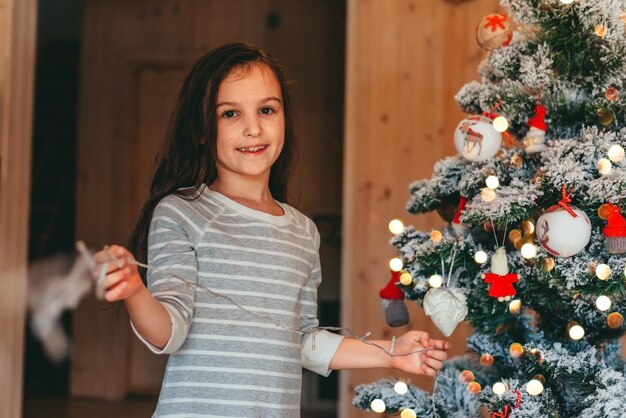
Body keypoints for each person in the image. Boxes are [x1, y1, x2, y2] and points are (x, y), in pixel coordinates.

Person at [96, 42, 450, 417]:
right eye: (230, 113)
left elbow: (302, 341)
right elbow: (169, 332)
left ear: (284, 119)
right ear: (202, 129)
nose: (253, 128)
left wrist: (391, 353)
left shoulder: (303, 232)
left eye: (266, 110)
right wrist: (134, 290)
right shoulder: (182, 213)